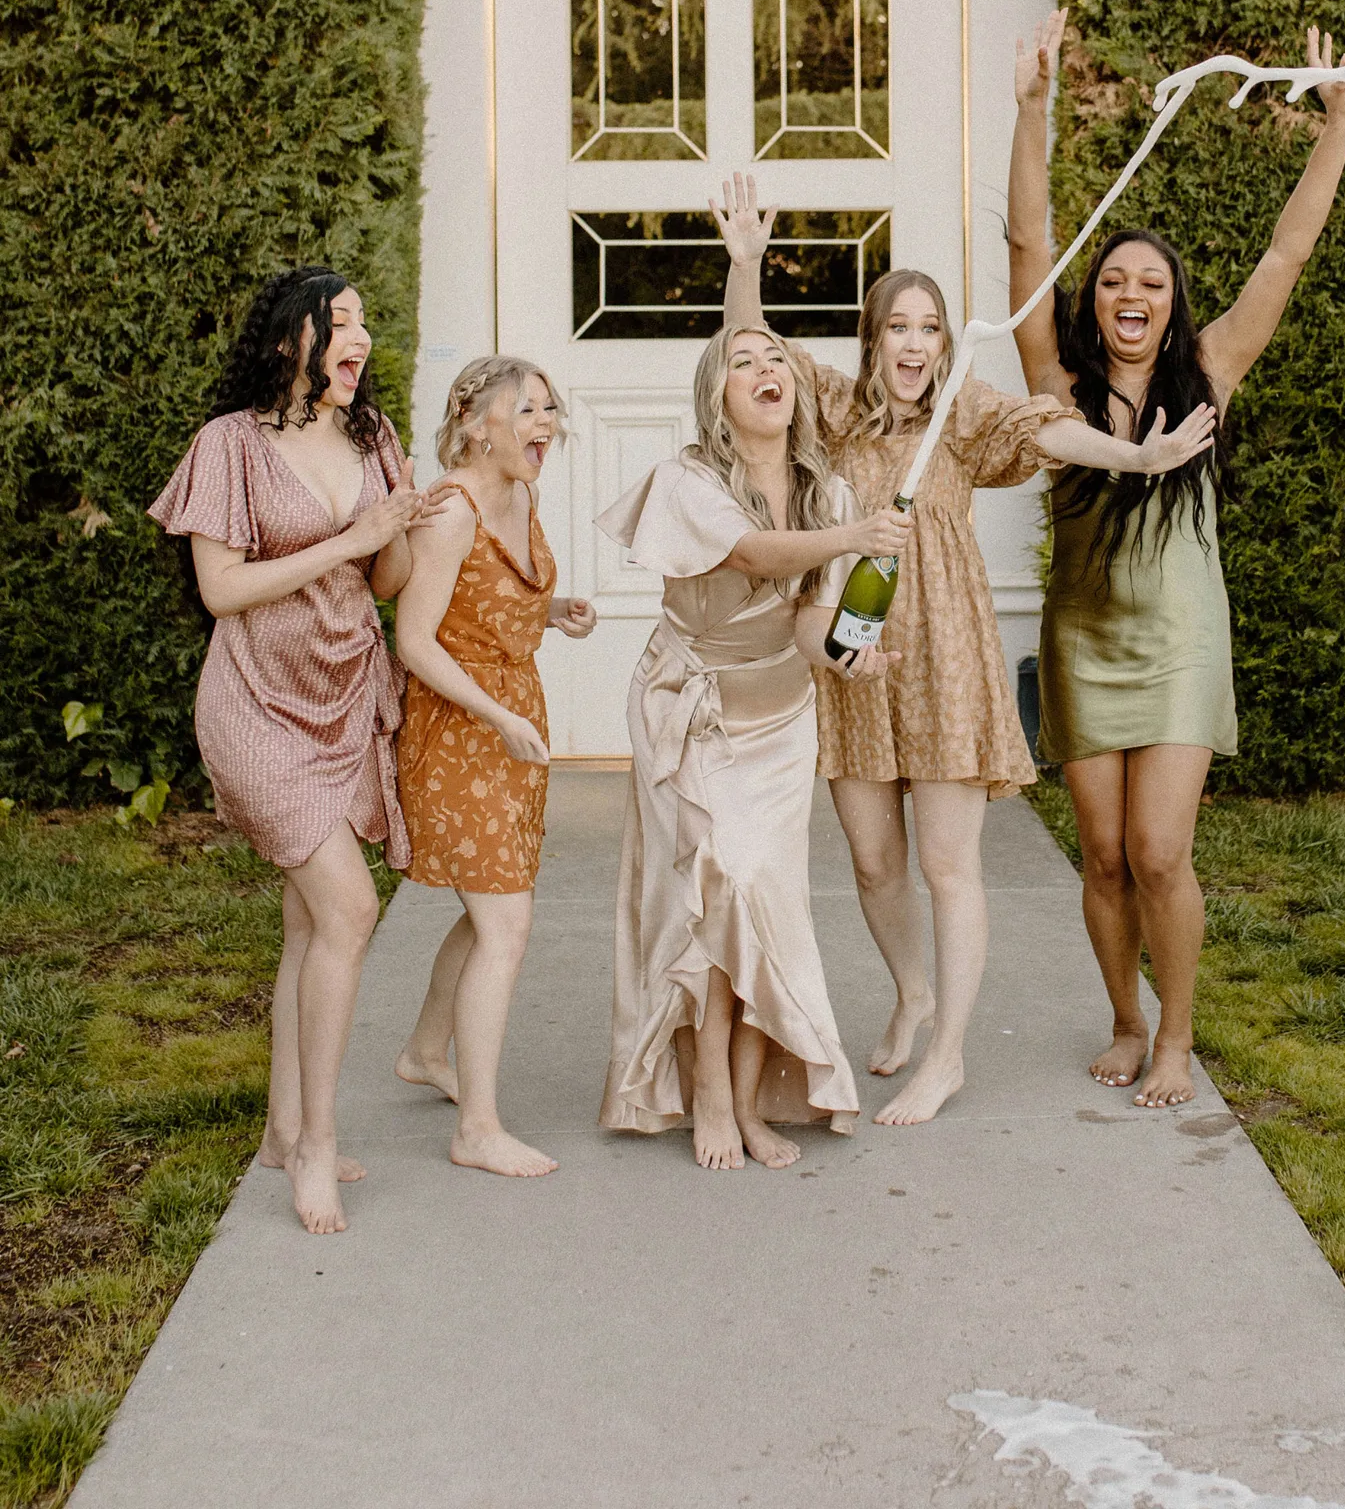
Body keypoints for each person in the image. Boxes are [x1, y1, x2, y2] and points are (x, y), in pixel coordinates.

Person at [717, 178, 1215, 1126]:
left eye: (930, 329)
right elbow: (756, 355)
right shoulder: (834, 412)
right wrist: (747, 268)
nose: (914, 345)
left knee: (948, 866)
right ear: (874, 341)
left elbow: (1051, 427)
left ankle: (945, 1054)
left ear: (946, 344)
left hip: (945, 653)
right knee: (871, 860)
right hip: (857, 652)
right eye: (898, 328)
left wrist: (1141, 458)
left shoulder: (965, 413)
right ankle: (912, 990)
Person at [1009, 14, 1345, 1108]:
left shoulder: (1210, 370)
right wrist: (1031, 111)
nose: (1129, 294)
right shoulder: (1056, 391)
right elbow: (1027, 252)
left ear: (1172, 304)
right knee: (1102, 856)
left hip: (1178, 640)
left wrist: (1334, 128)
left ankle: (1175, 1036)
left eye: (1150, 283)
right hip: (1082, 635)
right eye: (1114, 279)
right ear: (1094, 297)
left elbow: (1285, 254)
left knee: (1161, 852)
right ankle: (1122, 1016)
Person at [149, 266, 438, 1235]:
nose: (361, 337)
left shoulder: (374, 437)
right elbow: (223, 591)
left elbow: (386, 580)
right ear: (289, 342)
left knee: (310, 925)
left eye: (366, 321)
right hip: (253, 703)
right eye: (341, 321)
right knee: (349, 909)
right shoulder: (229, 445)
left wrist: (401, 530)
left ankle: (281, 1129)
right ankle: (317, 1143)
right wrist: (351, 535)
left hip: (341, 690)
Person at [598, 324, 906, 1172]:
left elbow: (809, 623)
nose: (767, 369)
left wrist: (850, 656)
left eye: (778, 358)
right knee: (713, 892)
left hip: (778, 724)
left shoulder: (831, 497)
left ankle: (745, 1104)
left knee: (761, 904)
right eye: (744, 362)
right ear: (718, 397)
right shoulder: (688, 480)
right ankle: (705, 1099)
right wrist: (851, 542)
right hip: (688, 712)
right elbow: (749, 553)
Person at [392, 355, 597, 1178]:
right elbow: (414, 638)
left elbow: (491, 598)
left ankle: (423, 1049)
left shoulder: (523, 491)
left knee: (491, 910)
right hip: (460, 730)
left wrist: (552, 610)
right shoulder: (450, 511)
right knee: (507, 924)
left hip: (512, 721)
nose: (547, 424)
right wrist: (498, 714)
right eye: (530, 410)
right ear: (476, 423)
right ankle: (476, 1128)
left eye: (552, 410)